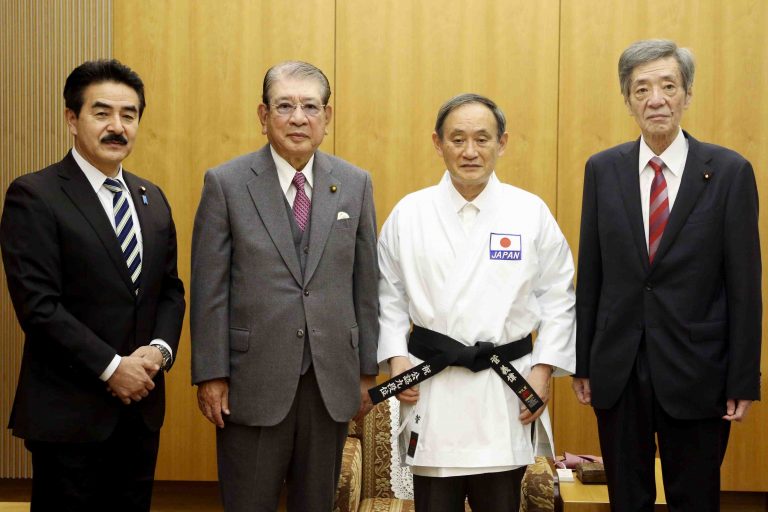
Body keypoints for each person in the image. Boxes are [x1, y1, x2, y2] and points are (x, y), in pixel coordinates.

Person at [573, 39, 762, 511]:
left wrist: (742, 377)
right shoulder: (602, 170)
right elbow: (591, 273)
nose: (655, 99)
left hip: (698, 370)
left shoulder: (729, 171)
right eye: (641, 89)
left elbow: (744, 287)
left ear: (687, 94)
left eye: (667, 86)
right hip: (619, 366)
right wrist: (584, 362)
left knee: (694, 499)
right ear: (628, 99)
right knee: (627, 500)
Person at [190, 60, 379, 512]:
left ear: (327, 118)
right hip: (251, 380)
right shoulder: (227, 183)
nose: (299, 117)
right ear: (263, 115)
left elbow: (366, 283)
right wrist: (212, 374)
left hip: (330, 377)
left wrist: (367, 372)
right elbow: (209, 290)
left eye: (311, 106)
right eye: (285, 105)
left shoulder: (354, 183)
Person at [0, 59, 186, 511]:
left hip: (140, 412)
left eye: (129, 114)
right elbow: (39, 308)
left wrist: (158, 353)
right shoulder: (35, 195)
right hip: (69, 417)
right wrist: (111, 367)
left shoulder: (152, 198)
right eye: (102, 113)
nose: (117, 126)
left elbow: (170, 291)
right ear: (72, 118)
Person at [376, 93, 576, 512]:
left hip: (504, 389)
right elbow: (386, 296)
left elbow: (560, 298)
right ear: (438, 142)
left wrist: (541, 371)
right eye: (458, 139)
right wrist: (396, 360)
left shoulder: (529, 212)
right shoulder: (409, 214)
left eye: (482, 139)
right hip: (434, 387)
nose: (470, 151)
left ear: (502, 143)